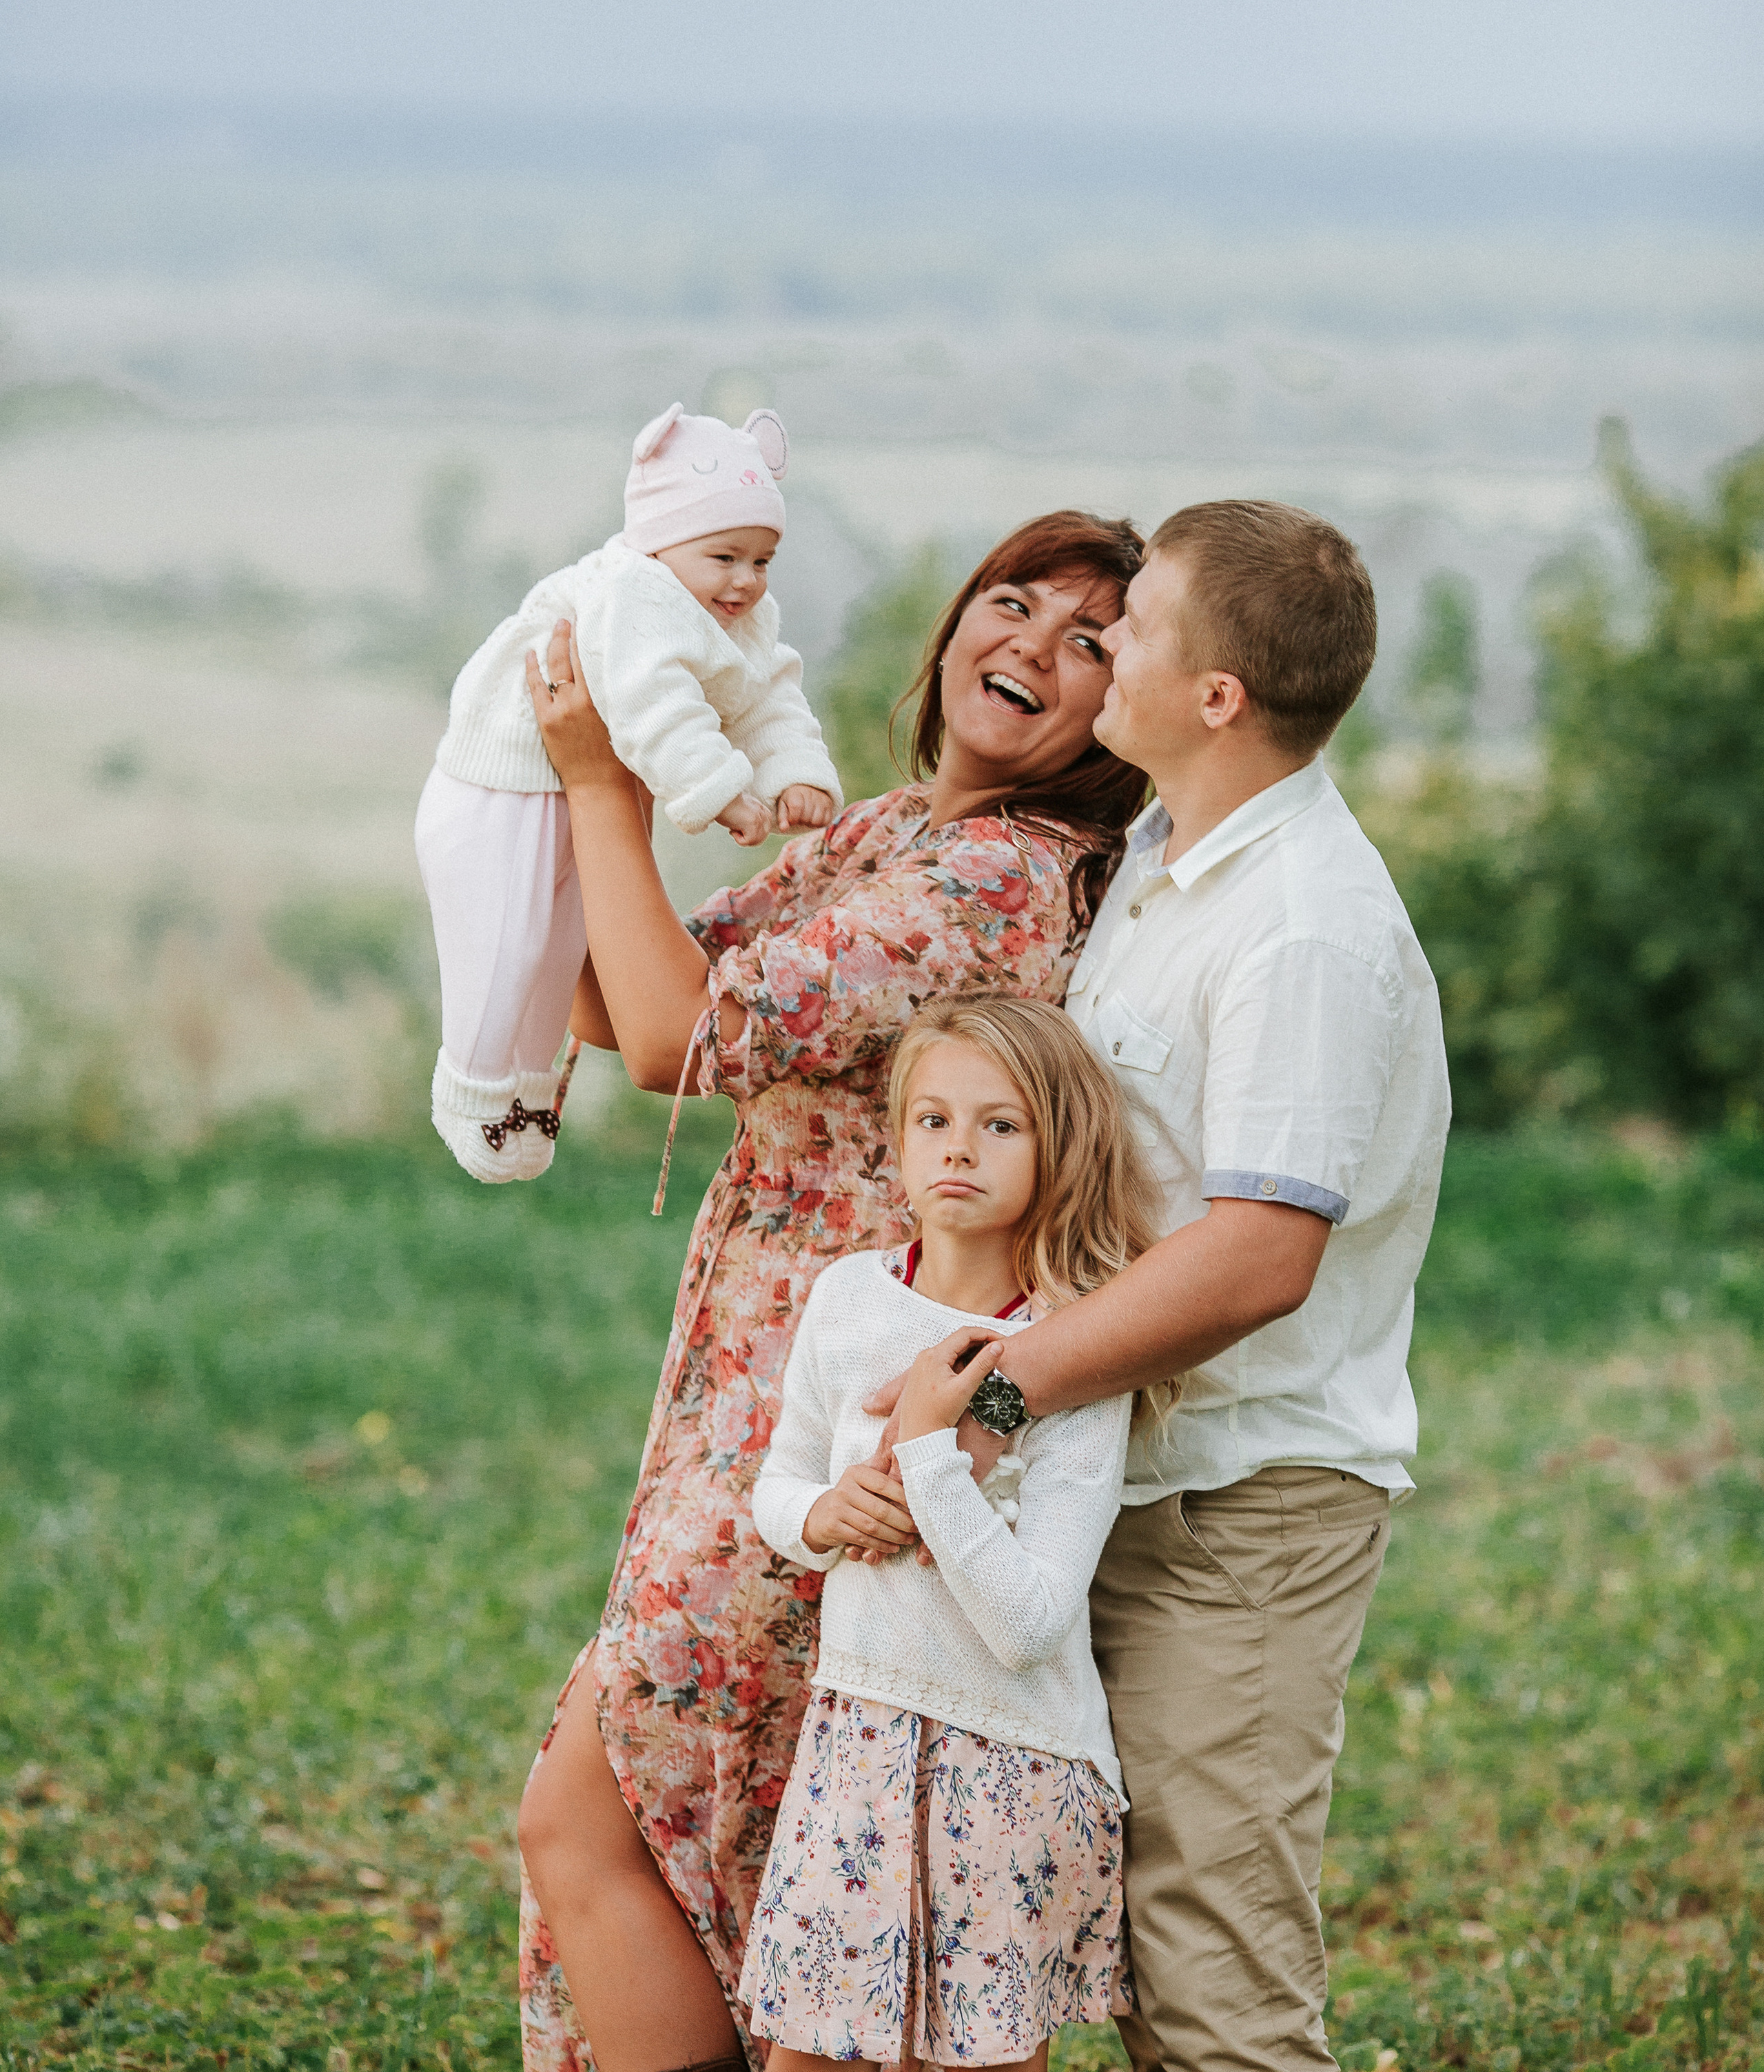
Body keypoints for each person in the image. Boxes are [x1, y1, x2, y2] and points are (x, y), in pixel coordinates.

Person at [512, 510, 1149, 2072]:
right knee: (711, 1867)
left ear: (1115, 723)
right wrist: (562, 775)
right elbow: (616, 993)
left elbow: (676, 1039)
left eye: (1088, 645)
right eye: (1011, 602)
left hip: (828, 1420)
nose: (1030, 648)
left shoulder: (995, 880)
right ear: (948, 626)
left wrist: (600, 778)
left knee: (591, 1820)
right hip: (740, 1406)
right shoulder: (889, 833)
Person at [878, 500, 1451, 2072]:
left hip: (1235, 1505)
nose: (1098, 646)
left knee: (1210, 1985)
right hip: (1114, 1473)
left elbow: (1259, 1253)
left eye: (1128, 629)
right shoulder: (1160, 850)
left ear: (1213, 696)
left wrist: (994, 1395)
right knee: (1064, 1933)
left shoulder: (1297, 931)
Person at [740, 992, 1173, 2072]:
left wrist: (931, 1450)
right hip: (860, 1736)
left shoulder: (1077, 1345)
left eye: (1000, 1124)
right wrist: (820, 1514)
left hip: (1009, 1756)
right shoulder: (848, 1301)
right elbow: (782, 1477)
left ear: (1057, 1146)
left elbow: (1029, 1623)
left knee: (978, 2060)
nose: (959, 1150)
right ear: (897, 1142)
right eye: (932, 1120)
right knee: (807, 2053)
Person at [416, 401, 840, 1183]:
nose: (746, 581)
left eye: (762, 559)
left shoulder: (726, 608)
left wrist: (796, 772)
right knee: (505, 948)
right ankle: (470, 1089)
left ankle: (532, 1096)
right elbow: (656, 709)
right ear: (662, 539)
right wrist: (728, 794)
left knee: (559, 948)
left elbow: (768, 691)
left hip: (574, 792)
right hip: (499, 791)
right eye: (725, 557)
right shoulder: (634, 594)